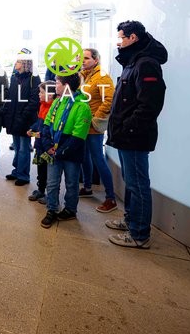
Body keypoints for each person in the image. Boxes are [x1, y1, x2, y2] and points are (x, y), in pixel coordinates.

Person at [105, 20, 167, 249]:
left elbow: (149, 105)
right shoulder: (133, 62)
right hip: (126, 136)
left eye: (121, 37)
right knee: (131, 183)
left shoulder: (146, 64)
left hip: (135, 137)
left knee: (138, 184)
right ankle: (131, 221)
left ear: (133, 38)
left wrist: (127, 128)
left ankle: (139, 234)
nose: (118, 42)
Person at [40, 73, 92, 228]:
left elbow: (78, 136)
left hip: (71, 151)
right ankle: (52, 209)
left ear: (66, 85)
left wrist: (60, 152)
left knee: (71, 183)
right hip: (53, 148)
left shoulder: (82, 106)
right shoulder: (57, 102)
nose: (55, 86)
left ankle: (70, 209)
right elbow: (46, 124)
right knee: (52, 182)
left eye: (57, 83)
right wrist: (48, 145)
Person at [79, 48, 118, 212]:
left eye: (86, 58)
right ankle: (87, 187)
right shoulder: (86, 76)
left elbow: (109, 99)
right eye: (81, 59)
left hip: (94, 127)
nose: (83, 61)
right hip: (83, 125)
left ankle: (111, 198)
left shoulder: (101, 76)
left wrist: (96, 117)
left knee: (98, 160)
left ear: (96, 60)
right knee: (85, 157)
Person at [1, 48, 40, 186]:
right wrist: (6, 113)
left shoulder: (33, 78)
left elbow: (35, 100)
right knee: (17, 147)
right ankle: (17, 171)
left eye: (18, 61)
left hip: (25, 120)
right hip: (13, 118)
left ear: (24, 63)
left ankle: (24, 176)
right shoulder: (14, 77)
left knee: (24, 148)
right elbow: (10, 98)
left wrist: (23, 116)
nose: (15, 63)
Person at [27, 80, 56, 203]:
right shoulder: (42, 105)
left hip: (47, 146)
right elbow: (39, 122)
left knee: (50, 172)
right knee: (41, 168)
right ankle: (40, 190)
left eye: (41, 92)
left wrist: (41, 134)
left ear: (50, 94)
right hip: (39, 145)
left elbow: (51, 128)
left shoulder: (54, 107)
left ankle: (51, 195)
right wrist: (32, 129)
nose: (39, 94)